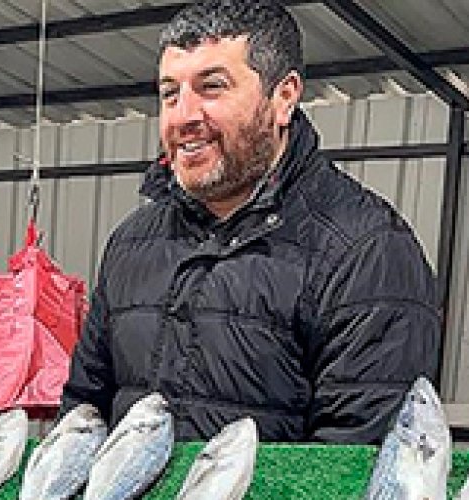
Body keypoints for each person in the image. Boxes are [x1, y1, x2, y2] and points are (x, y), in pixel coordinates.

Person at [61, 0, 442, 443]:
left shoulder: (366, 250)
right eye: (170, 93)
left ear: (283, 98)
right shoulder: (132, 242)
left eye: (212, 87)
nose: (183, 116)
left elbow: (352, 466)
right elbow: (84, 411)